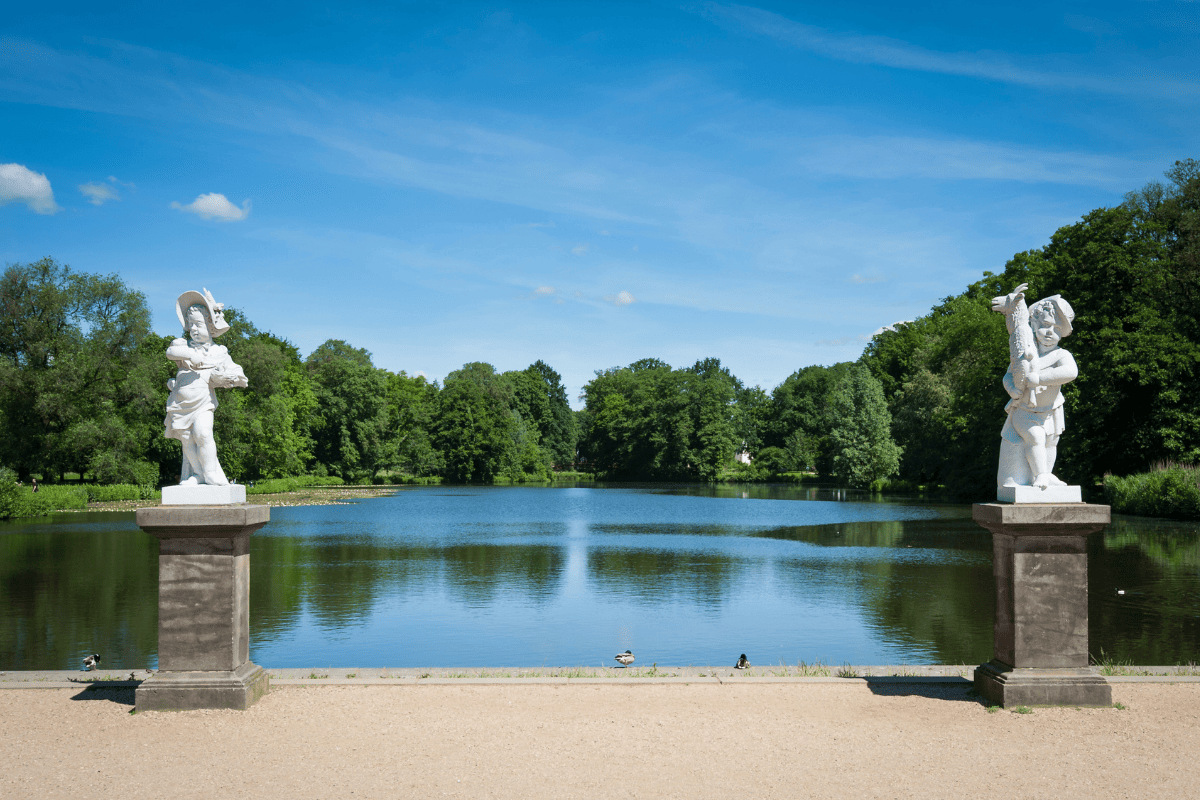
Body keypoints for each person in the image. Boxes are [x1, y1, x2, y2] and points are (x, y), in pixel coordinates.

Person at [164, 291, 247, 486]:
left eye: (198, 325)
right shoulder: (184, 346)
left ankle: (210, 474)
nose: (193, 329)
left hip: (203, 402)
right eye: (190, 324)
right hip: (180, 403)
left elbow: (237, 372)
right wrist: (192, 356)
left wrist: (230, 378)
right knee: (187, 440)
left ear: (211, 326)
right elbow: (171, 352)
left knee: (202, 433)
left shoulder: (219, 352)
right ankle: (198, 474)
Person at [997, 295, 1077, 490]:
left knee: (1050, 444)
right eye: (1046, 325)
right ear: (1033, 325)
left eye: (1057, 329)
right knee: (1035, 438)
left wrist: (1040, 378)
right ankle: (1040, 476)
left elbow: (1071, 372)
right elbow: (1008, 376)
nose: (1050, 332)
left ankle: (1045, 474)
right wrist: (1012, 389)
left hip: (1051, 410)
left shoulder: (1061, 354)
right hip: (1025, 411)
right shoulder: (1025, 352)